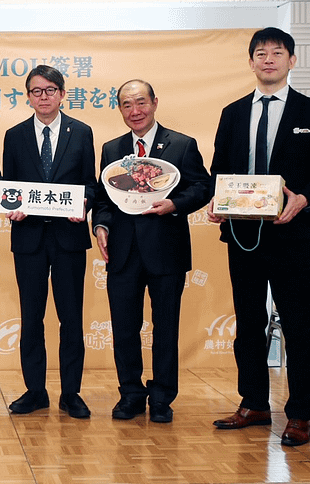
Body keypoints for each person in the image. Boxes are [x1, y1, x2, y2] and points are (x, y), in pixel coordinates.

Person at [207, 27, 310, 447]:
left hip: (293, 234)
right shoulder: (232, 112)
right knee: (249, 324)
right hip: (243, 235)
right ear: (250, 62)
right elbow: (220, 169)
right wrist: (217, 202)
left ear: (291, 60)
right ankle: (254, 403)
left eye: (277, 53)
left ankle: (300, 414)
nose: (268, 59)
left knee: (298, 325)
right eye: (260, 53)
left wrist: (303, 198)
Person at [92, 80, 211, 423]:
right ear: (120, 109)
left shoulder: (182, 145)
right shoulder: (112, 150)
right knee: (124, 327)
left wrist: (174, 204)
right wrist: (100, 226)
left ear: (155, 102)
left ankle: (161, 397)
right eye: (127, 105)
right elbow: (103, 200)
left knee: (166, 328)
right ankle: (130, 394)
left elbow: (202, 187)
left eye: (141, 102)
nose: (135, 111)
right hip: (122, 252)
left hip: (166, 251)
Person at [1, 65, 96, 418]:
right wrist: (14, 206)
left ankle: (71, 392)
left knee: (71, 317)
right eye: (36, 91)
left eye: (50, 90)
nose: (44, 97)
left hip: (69, 237)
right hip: (28, 239)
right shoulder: (14, 135)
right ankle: (35, 390)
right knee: (31, 318)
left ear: (62, 93)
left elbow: (90, 183)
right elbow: (7, 185)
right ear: (28, 96)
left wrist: (84, 203)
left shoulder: (81, 132)